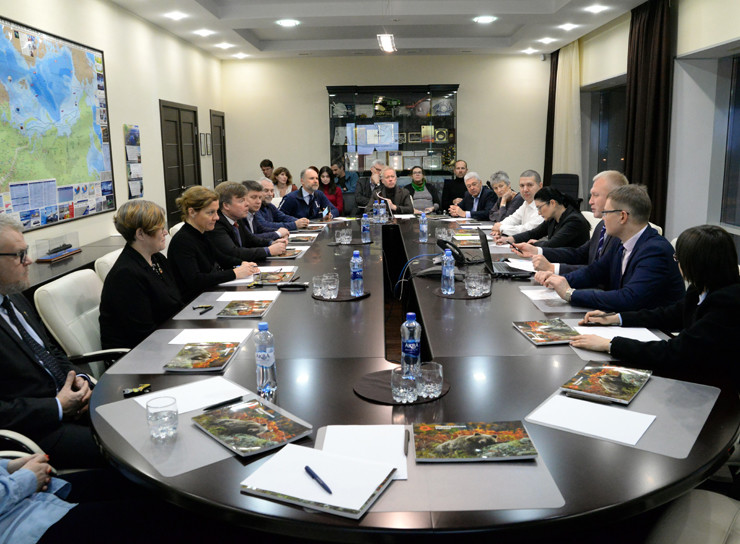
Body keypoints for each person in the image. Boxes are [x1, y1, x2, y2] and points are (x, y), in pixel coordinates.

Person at [569, 225, 740, 390]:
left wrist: (610, 344)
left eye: (678, 259)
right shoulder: (700, 288)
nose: (677, 264)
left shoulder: (727, 303)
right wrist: (616, 318)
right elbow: (669, 314)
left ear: (696, 264)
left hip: (718, 388)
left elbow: (677, 352)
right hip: (695, 376)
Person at [0, 215, 99, 469]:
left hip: (71, 405)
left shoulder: (14, 297)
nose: (29, 260)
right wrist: (57, 406)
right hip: (37, 431)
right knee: (123, 448)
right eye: (20, 255)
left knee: (133, 415)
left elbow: (49, 351)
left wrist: (79, 380)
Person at [541, 185, 685, 312]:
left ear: (622, 217)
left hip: (654, 329)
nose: (603, 218)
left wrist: (570, 294)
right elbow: (595, 272)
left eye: (606, 213)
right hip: (627, 320)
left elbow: (629, 298)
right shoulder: (620, 242)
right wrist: (558, 280)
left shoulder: (655, 251)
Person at [99, 200, 183, 350]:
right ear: (140, 234)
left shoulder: (157, 259)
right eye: (160, 228)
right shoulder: (125, 275)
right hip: (141, 353)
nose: (165, 232)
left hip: (165, 338)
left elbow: (175, 302)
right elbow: (143, 335)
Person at [514, 170, 628, 274]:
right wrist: (537, 251)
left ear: (614, 197)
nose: (590, 201)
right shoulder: (601, 226)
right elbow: (578, 253)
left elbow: (600, 272)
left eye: (596, 195)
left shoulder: (620, 232)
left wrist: (553, 269)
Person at [168, 186, 259, 301]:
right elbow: (195, 280)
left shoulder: (202, 233)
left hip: (208, 293)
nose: (216, 217)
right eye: (211, 213)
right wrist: (234, 273)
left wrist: (242, 263)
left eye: (216, 212)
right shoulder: (183, 241)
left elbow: (220, 257)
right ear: (192, 212)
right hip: (195, 301)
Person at [208, 181, 287, 262]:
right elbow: (234, 252)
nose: (247, 204)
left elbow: (250, 239)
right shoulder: (216, 223)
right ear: (226, 205)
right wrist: (268, 250)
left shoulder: (237, 217)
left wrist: (271, 243)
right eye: (241, 201)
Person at [498, 187, 590, 249]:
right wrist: (510, 239)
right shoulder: (553, 218)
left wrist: (535, 243)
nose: (538, 212)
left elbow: (552, 245)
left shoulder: (574, 221)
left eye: (539, 207)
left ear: (552, 203)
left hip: (570, 267)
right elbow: (533, 233)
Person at [491, 170, 545, 238]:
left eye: (529, 185)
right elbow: (513, 219)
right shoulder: (526, 203)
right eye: (522, 186)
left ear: (540, 186)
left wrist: (501, 228)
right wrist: (499, 225)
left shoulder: (544, 206)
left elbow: (526, 230)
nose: (525, 189)